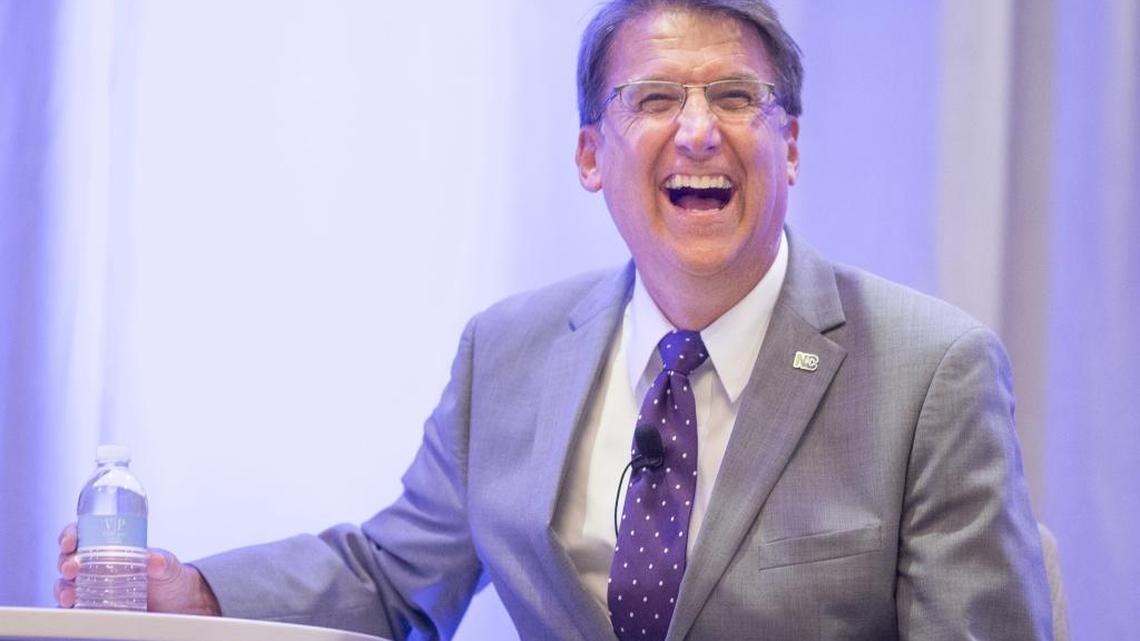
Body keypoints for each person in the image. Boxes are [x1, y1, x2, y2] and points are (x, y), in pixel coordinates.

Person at [56, 1, 1054, 639]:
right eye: (656, 96)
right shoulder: (510, 354)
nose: (699, 128)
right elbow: (393, 579)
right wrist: (196, 591)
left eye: (738, 98)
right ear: (591, 155)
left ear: (789, 147)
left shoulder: (934, 372)